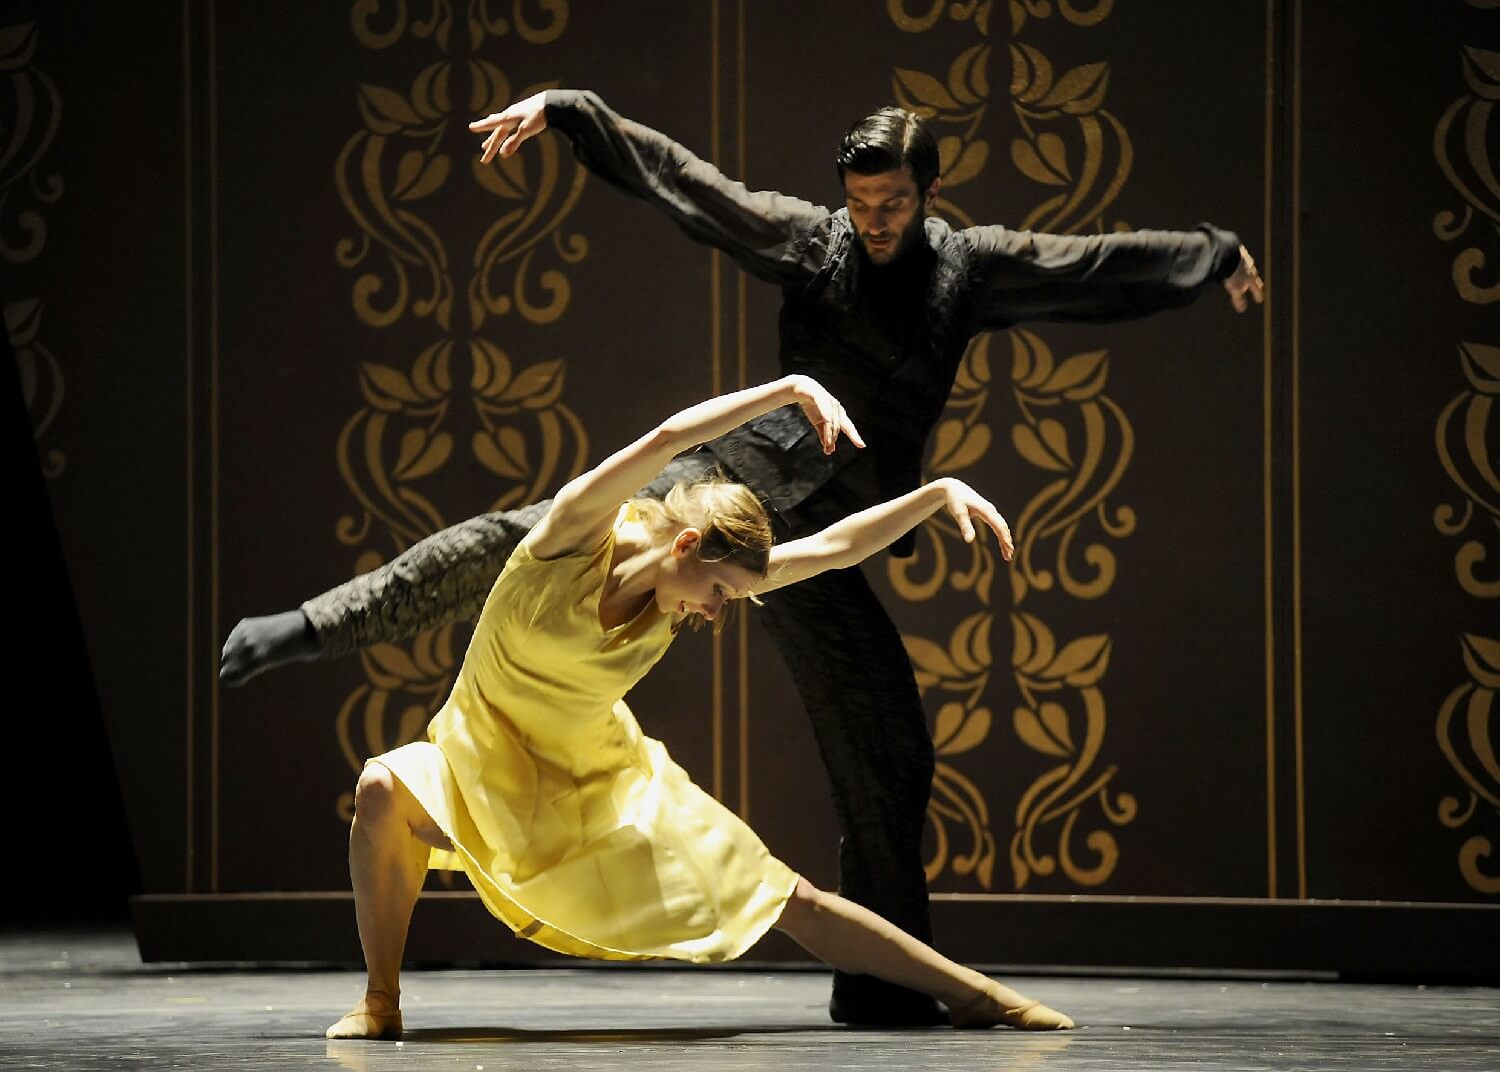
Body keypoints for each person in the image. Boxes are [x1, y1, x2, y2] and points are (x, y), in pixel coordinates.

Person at [224, 91, 1264, 1026]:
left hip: (811, 531)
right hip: (722, 499)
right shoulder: (812, 244)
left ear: (929, 191)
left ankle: (885, 985)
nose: (876, 219)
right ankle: (307, 626)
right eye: (861, 201)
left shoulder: (970, 267)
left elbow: (1083, 268)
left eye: (894, 202)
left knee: (890, 742)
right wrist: (576, 115)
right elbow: (690, 186)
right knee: (513, 543)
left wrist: (1210, 253)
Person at [323, 373, 1073, 1040]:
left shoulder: (684, 591)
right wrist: (788, 390)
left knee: (789, 896)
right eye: (720, 593)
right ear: (686, 544)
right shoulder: (574, 533)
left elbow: (839, 547)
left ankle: (978, 995)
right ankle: (380, 1001)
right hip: (477, 753)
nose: (718, 613)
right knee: (383, 790)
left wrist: (937, 494)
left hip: (598, 778)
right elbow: (667, 437)